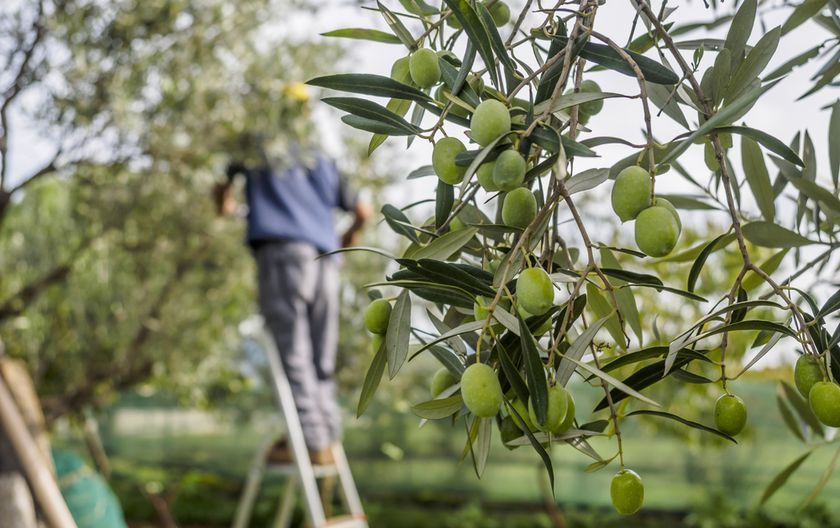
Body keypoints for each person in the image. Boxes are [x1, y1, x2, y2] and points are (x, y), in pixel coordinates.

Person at [214, 82, 371, 465]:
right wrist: (342, 244)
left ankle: (314, 444)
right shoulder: (322, 156)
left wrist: (226, 206)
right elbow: (363, 212)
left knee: (295, 355)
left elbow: (222, 186)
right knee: (321, 360)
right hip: (325, 261)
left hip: (284, 255)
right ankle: (325, 440)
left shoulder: (258, 145)